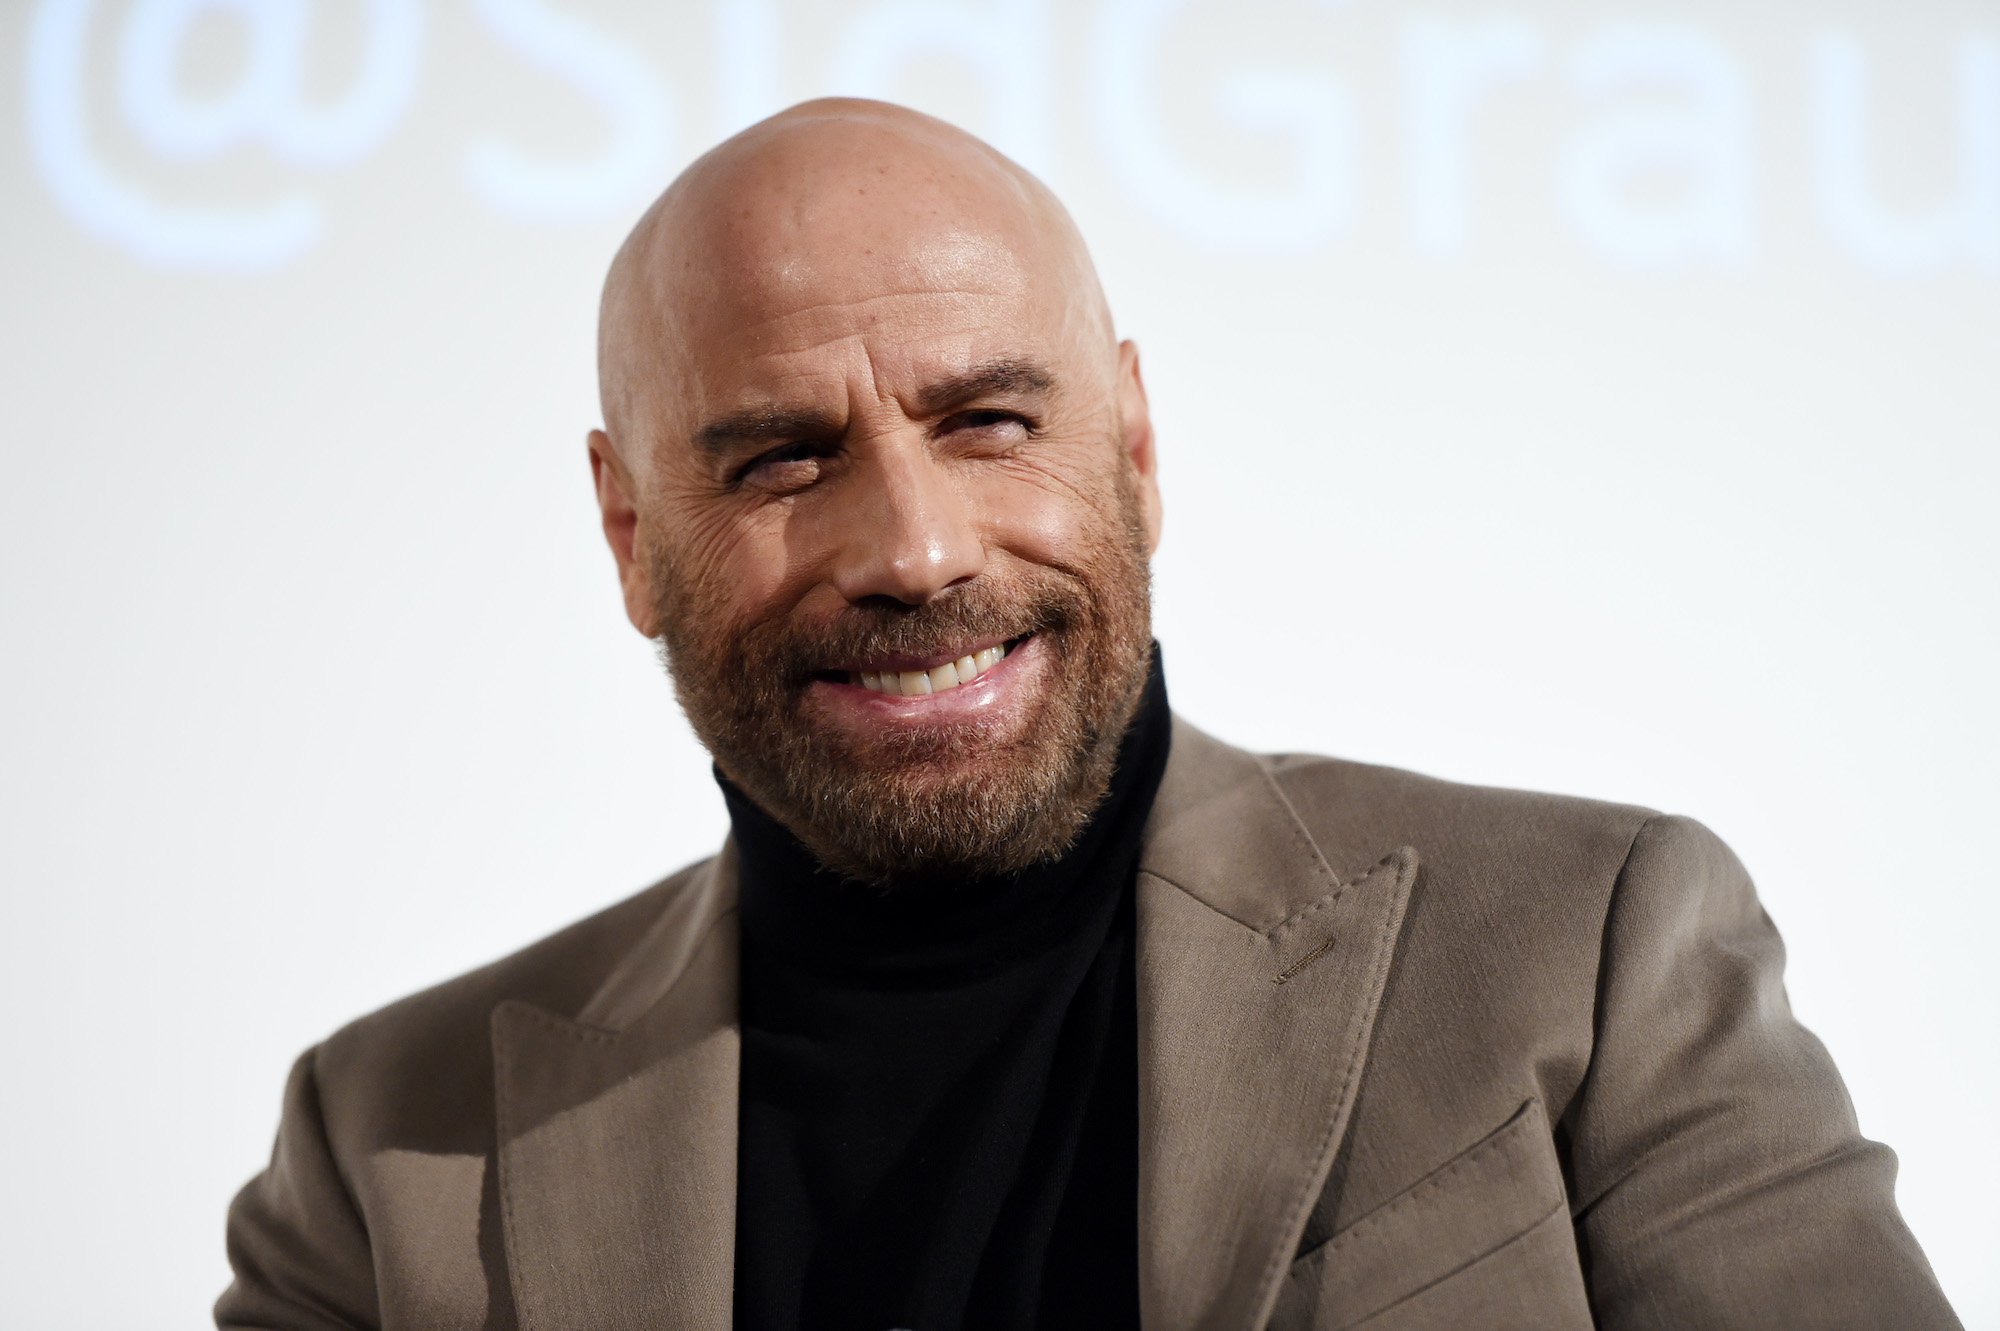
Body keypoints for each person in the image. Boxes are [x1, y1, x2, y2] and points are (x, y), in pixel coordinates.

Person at [217, 98, 1959, 1331]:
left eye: (987, 421)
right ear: (630, 536)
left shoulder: (1590, 951)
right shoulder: (382, 1153)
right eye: (781, 457)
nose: (911, 548)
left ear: (1131, 444)